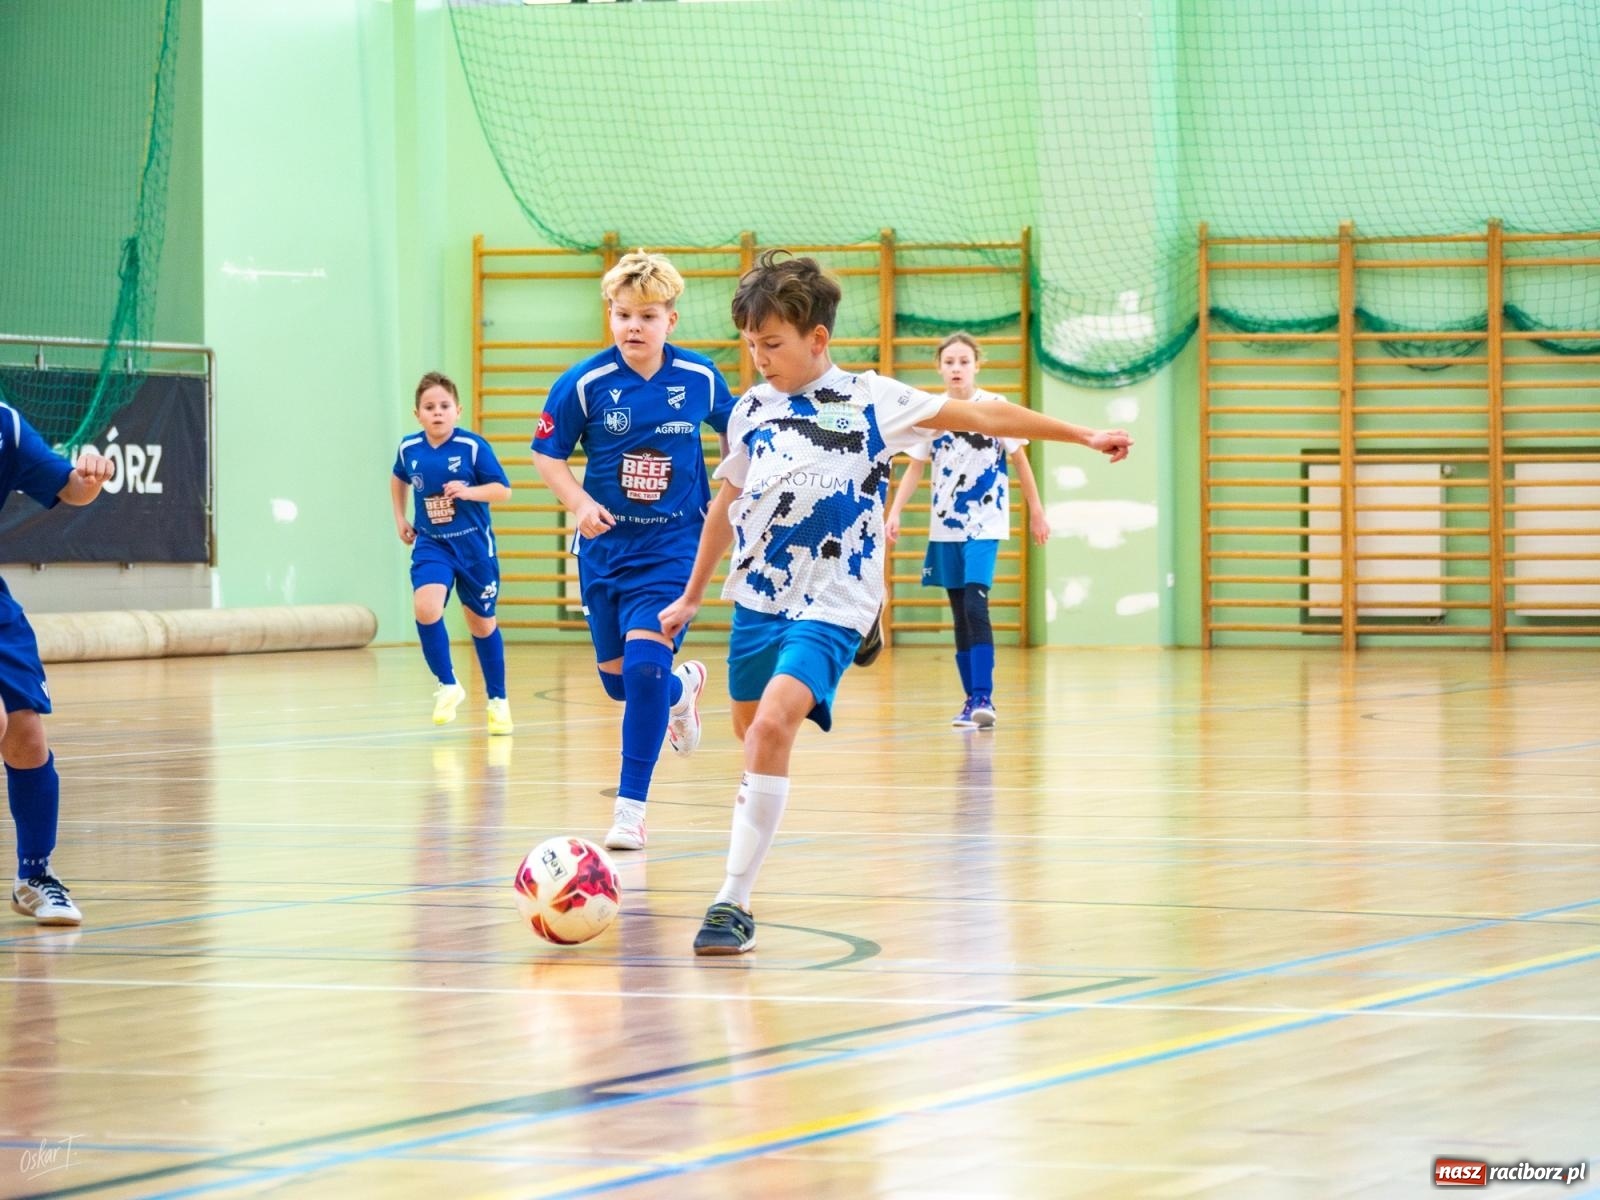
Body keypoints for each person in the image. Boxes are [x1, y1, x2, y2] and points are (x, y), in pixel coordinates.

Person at [659, 251, 1132, 955]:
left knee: (770, 733)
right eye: (751, 345)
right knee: (748, 729)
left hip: (836, 595)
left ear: (818, 339)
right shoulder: (750, 411)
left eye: (773, 344)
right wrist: (693, 596)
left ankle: (732, 900)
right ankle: (694, 686)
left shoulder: (873, 398)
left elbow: (985, 414)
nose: (759, 358)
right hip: (759, 596)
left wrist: (1086, 435)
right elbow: (726, 505)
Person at [534, 251, 735, 851]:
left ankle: (630, 810)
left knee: (644, 669)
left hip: (674, 546)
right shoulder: (584, 383)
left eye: (648, 315)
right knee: (624, 686)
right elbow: (546, 454)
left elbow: (735, 431)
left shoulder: (699, 378)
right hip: (604, 552)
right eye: (623, 315)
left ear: (671, 320)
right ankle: (683, 691)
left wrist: (732, 485)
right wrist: (577, 502)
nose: (634, 327)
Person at [885, 332, 1050, 729]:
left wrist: (1037, 512)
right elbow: (916, 466)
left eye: (964, 361)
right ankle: (969, 701)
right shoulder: (931, 412)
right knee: (959, 614)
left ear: (977, 365)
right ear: (939, 368)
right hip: (945, 527)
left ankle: (984, 698)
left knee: (977, 604)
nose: (956, 368)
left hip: (985, 523)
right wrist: (895, 511)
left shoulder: (995, 408)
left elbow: (1021, 462)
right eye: (949, 362)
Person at [2, 405, 115, 924]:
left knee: (25, 734)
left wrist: (89, 478)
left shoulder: (7, 426)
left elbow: (69, 487)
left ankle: (34, 876)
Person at [391, 371, 514, 733]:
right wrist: (400, 517)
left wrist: (469, 491)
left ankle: (498, 700)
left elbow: (502, 490)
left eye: (444, 406)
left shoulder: (472, 447)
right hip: (433, 544)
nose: (437, 413)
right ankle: (447, 684)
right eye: (429, 407)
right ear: (418, 414)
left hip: (475, 548)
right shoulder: (408, 448)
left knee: (481, 624)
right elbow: (397, 477)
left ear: (457, 410)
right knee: (426, 607)